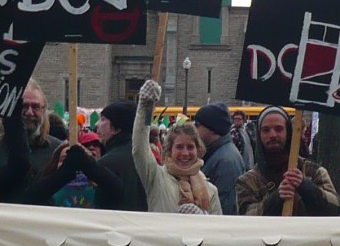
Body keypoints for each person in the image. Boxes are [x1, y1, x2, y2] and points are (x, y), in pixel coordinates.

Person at [133, 81, 221, 214]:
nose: (185, 153)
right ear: (169, 150)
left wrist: (203, 220)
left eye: (190, 147)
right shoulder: (155, 178)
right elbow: (139, 148)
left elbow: (217, 230)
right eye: (179, 147)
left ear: (198, 150)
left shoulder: (211, 190)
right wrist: (146, 106)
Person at [235, 106, 339, 216]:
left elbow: (335, 207)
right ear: (259, 135)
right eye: (266, 130)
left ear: (288, 133)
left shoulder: (313, 171)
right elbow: (245, 217)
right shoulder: (247, 181)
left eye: (279, 129)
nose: (273, 135)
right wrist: (275, 199)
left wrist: (306, 187)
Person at [0, 79, 62, 185]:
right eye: (23, 106)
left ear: (43, 110)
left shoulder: (58, 151)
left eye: (35, 107)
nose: (29, 112)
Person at [193, 102, 245, 215]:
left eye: (197, 125)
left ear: (211, 128)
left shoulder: (226, 161)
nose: (194, 130)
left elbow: (225, 207)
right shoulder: (220, 154)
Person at [95, 100, 147, 212]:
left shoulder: (105, 164)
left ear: (116, 128)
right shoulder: (148, 158)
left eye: (103, 119)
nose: (96, 125)